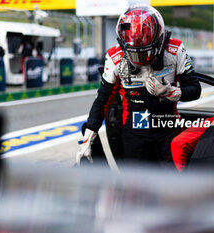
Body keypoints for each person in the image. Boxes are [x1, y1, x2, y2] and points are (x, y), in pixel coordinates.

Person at [76, 5, 201, 169]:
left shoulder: (175, 49)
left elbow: (195, 89)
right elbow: (103, 100)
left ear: (160, 39)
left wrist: (171, 92)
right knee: (136, 188)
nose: (141, 58)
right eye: (135, 53)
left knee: (172, 186)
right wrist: (88, 139)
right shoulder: (115, 57)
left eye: (146, 52)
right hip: (134, 134)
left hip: (168, 129)